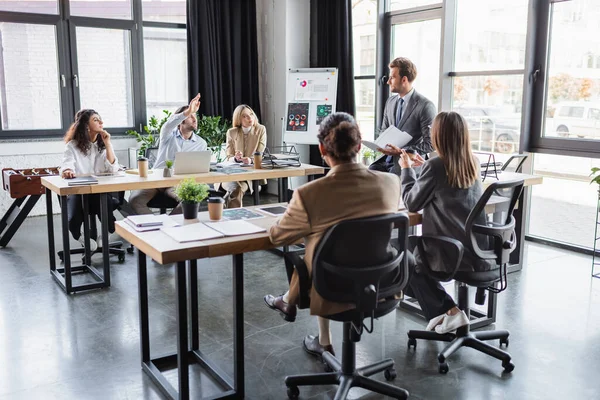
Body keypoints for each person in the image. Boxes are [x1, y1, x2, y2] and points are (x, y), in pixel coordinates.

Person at [263, 112, 402, 359]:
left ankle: (296, 309)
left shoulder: (309, 194)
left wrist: (280, 218)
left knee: (316, 242)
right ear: (359, 146)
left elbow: (277, 237)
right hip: (381, 283)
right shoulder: (391, 183)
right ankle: (319, 336)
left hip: (332, 289)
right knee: (324, 239)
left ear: (321, 149)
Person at [400, 111, 495, 334]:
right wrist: (424, 168)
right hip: (478, 250)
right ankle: (447, 312)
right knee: (413, 259)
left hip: (450, 253)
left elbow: (411, 203)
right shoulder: (473, 162)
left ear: (438, 136)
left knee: (403, 257)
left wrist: (407, 169)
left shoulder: (436, 167)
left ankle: (450, 312)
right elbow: (449, 188)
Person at [129, 93, 207, 215]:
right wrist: (187, 111)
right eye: (191, 116)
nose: (194, 119)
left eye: (195, 116)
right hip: (156, 181)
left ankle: (168, 225)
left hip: (178, 183)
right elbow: (170, 123)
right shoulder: (167, 134)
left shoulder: (201, 143)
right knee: (135, 200)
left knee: (189, 200)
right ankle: (156, 226)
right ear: (181, 121)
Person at [61, 109, 120, 251]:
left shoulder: (103, 145)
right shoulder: (72, 146)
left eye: (100, 119)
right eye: (96, 120)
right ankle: (80, 236)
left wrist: (108, 143)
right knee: (74, 210)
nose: (101, 122)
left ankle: (106, 233)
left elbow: (113, 168)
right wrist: (67, 171)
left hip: (99, 192)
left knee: (104, 200)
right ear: (86, 125)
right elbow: (66, 164)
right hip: (79, 192)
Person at [370, 57, 436, 175]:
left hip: (409, 164)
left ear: (404, 79)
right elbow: (384, 131)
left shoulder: (425, 106)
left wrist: (401, 152)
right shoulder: (390, 102)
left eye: (392, 77)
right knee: (369, 174)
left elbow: (431, 144)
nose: (388, 81)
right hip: (385, 161)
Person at [216, 105, 267, 208]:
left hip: (250, 176)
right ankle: (233, 214)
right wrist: (235, 158)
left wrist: (250, 160)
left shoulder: (261, 129)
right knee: (236, 187)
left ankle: (229, 212)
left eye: (251, 114)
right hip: (231, 174)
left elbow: (260, 153)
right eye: (245, 116)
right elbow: (229, 155)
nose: (250, 118)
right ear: (238, 119)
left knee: (236, 189)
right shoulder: (231, 132)